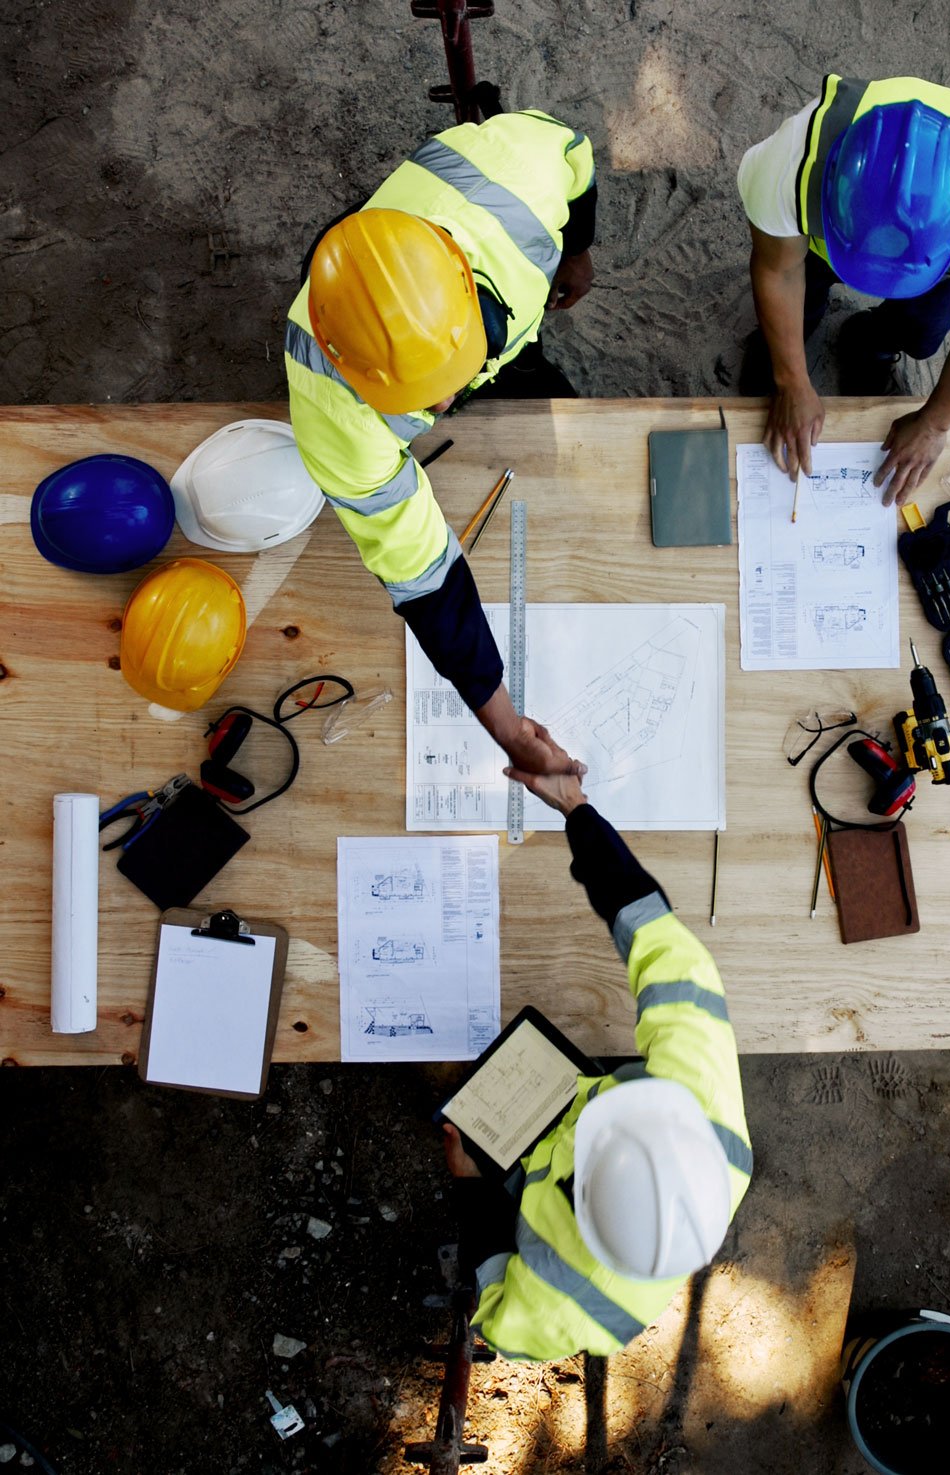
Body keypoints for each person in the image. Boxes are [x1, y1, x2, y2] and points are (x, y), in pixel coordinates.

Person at [285, 107, 597, 775]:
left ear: (460, 276)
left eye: (451, 378)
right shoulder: (330, 407)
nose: (444, 405)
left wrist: (577, 251)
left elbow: (575, 159)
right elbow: (426, 578)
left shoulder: (516, 172)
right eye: (418, 401)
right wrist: (509, 728)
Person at [442, 769, 753, 1361]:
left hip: (511, 1161)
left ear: (582, 1198)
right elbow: (665, 948)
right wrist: (576, 810)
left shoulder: (561, 1311)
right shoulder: (707, 1115)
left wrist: (471, 1190)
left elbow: (496, 1317)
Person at [738, 75, 950, 506]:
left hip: (938, 263)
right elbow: (778, 270)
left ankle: (869, 342)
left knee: (921, 333)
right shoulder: (790, 165)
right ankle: (783, 357)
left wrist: (935, 425)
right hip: (829, 241)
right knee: (804, 290)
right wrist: (792, 382)